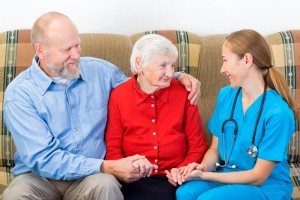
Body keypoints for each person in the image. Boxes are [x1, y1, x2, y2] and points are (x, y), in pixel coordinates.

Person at [2, 12, 201, 200]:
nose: (76, 55)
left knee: (107, 185)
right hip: (39, 178)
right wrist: (107, 166)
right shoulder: (20, 94)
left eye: (77, 45)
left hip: (92, 177)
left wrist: (177, 77)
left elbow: (138, 86)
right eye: (66, 50)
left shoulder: (100, 72)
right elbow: (44, 159)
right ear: (41, 50)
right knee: (16, 196)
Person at [174, 29, 298, 200]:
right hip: (228, 173)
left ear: (247, 60)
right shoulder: (226, 95)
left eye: (225, 61)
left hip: (266, 185)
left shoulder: (278, 112)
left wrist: (207, 176)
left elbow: (259, 176)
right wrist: (201, 169)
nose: (222, 69)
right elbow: (215, 149)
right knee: (185, 192)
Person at [104, 34, 208, 200]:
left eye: (173, 65)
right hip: (135, 180)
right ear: (140, 64)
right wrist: (127, 168)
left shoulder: (184, 93)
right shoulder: (119, 96)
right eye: (163, 65)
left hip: (176, 178)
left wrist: (182, 170)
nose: (170, 72)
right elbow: (113, 150)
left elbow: (198, 145)